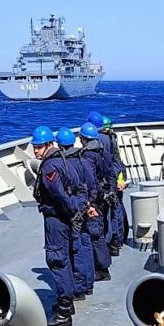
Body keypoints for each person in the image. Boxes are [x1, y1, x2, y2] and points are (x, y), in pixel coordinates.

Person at [31, 125, 82, 326]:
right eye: (34, 147)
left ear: (49, 145)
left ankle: (64, 312)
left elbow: (59, 195)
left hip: (56, 220)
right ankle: (68, 304)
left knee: (57, 260)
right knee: (65, 258)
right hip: (63, 218)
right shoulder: (62, 160)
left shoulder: (49, 167)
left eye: (38, 147)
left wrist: (70, 212)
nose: (35, 151)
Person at [58, 127, 96, 298]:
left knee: (76, 248)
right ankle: (88, 283)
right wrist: (89, 204)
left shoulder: (65, 164)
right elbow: (91, 184)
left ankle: (80, 288)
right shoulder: (83, 160)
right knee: (86, 244)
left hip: (73, 211)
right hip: (86, 207)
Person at [78, 121, 112, 281]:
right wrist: (109, 191)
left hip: (95, 199)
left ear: (83, 138)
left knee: (95, 233)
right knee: (100, 230)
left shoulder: (87, 156)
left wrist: (89, 201)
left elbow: (90, 181)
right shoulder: (103, 151)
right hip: (104, 195)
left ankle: (103, 269)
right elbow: (110, 173)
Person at [91, 112, 128, 256]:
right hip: (117, 176)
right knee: (117, 209)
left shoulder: (99, 140)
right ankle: (119, 240)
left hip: (109, 179)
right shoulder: (111, 138)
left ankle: (114, 242)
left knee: (112, 212)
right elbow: (117, 161)